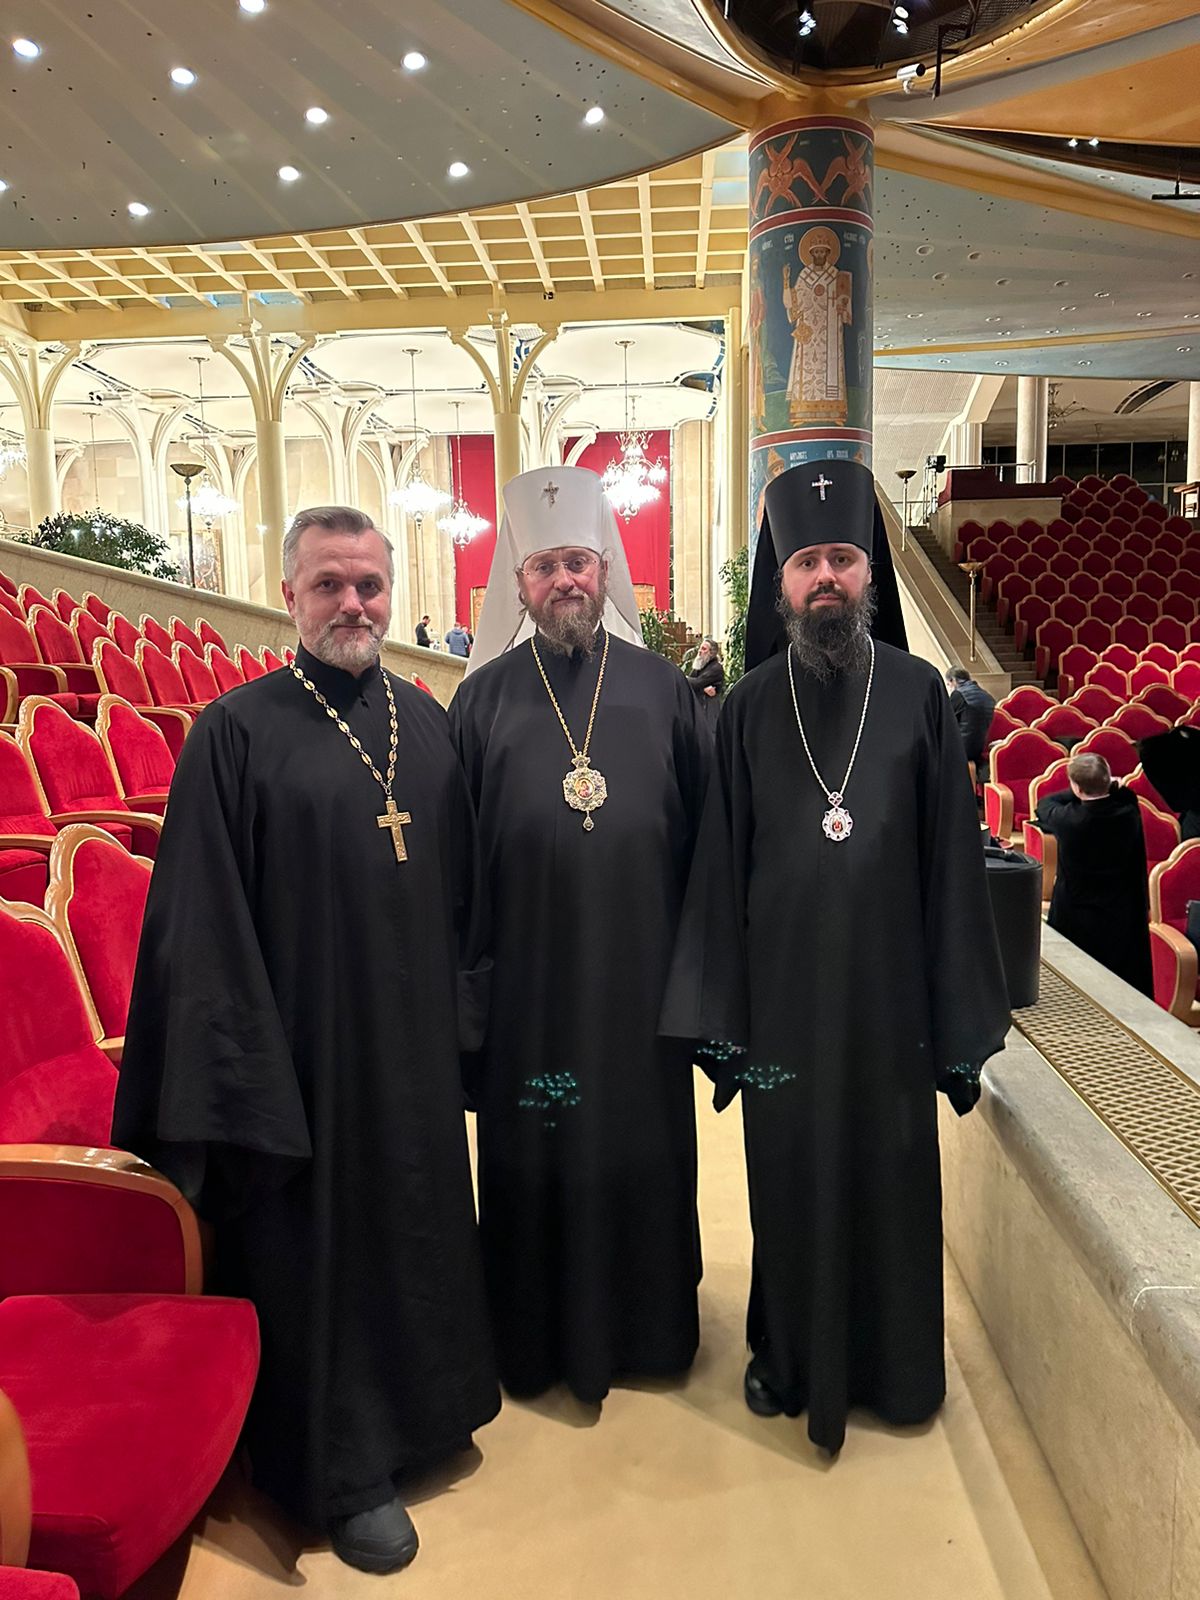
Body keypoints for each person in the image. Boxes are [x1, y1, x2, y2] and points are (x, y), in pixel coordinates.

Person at [113, 507, 499, 1573]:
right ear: (289, 595)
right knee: (320, 1248)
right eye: (329, 583)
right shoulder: (234, 733)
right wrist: (248, 1080)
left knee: (420, 1219)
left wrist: (465, 1026)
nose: (353, 604)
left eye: (369, 584)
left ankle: (431, 1410)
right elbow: (200, 926)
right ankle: (343, 1465)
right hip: (304, 1063)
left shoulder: (427, 724)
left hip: (413, 1050)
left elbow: (470, 900)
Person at [662, 458, 1010, 1457]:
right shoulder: (744, 707)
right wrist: (721, 1019)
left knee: (891, 1178)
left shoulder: (919, 695)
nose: (826, 577)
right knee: (787, 1180)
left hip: (891, 1006)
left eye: (843, 559)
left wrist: (956, 1017)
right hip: (779, 1011)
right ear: (781, 582)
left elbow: (951, 865)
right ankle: (786, 1357)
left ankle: (896, 1369)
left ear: (869, 576)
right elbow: (718, 870)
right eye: (807, 560)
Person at [450, 465, 710, 1405]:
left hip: (642, 995)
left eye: (579, 563)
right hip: (528, 997)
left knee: (644, 1153)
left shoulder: (666, 692)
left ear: (606, 570)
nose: (565, 580)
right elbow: (456, 873)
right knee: (535, 1154)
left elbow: (707, 849)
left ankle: (649, 1330)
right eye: (545, 566)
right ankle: (533, 1338)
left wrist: (697, 988)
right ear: (518, 582)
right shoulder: (480, 704)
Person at [1034, 752, 1152, 995]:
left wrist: (1079, 789)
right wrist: (1105, 786)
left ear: (1077, 788)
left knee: (1078, 983)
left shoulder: (1069, 819)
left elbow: (1044, 804)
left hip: (1078, 913)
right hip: (1120, 911)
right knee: (1117, 982)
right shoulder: (1129, 812)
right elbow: (1126, 794)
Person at [944, 666, 995, 772]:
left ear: (953, 680)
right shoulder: (987, 695)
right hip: (981, 746)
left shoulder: (959, 694)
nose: (949, 688)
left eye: (948, 684)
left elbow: (946, 720)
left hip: (962, 748)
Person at [687, 637, 726, 730]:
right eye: (700, 648)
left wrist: (684, 678)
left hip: (709, 709)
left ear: (711, 653)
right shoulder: (701, 664)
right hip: (700, 707)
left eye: (704, 649)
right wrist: (703, 689)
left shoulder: (716, 668)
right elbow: (691, 682)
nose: (699, 651)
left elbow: (696, 683)